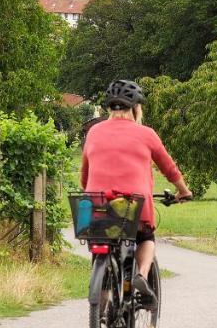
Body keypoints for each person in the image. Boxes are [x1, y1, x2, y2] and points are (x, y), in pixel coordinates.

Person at [80, 79, 192, 301]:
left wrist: (89, 188)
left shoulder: (93, 132)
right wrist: (183, 191)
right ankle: (141, 274)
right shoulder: (146, 133)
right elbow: (169, 168)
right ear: (136, 108)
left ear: (109, 108)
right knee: (146, 237)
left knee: (102, 243)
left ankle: (99, 314)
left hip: (98, 205)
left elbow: (85, 173)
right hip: (134, 205)